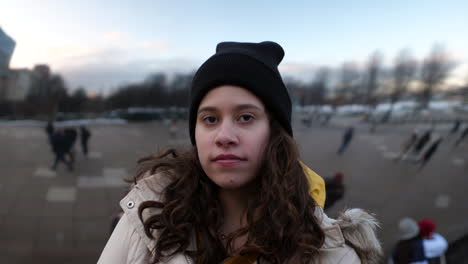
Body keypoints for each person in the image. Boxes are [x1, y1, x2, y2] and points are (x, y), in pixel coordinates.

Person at [98, 41, 382, 264]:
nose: (224, 136)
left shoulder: (333, 255)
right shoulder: (150, 219)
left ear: (275, 131)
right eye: (210, 119)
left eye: (245, 117)